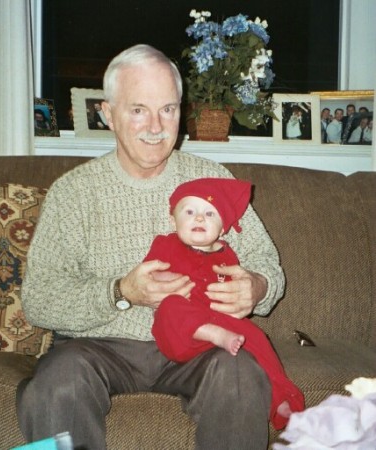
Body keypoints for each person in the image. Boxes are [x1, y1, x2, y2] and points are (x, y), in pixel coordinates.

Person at [17, 44, 286, 450]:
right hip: (97, 347)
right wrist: (120, 292)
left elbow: (268, 265)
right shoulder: (73, 193)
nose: (157, 126)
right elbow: (39, 300)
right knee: (56, 384)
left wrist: (258, 287)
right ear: (107, 114)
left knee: (241, 374)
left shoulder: (213, 180)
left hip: (200, 343)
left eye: (169, 109)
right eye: (138, 109)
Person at [146, 177, 304, 430]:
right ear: (173, 221)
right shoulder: (165, 244)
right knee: (170, 307)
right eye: (189, 211)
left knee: (256, 337)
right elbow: (149, 276)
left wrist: (242, 291)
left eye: (210, 213)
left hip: (219, 319)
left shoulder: (227, 253)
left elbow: (236, 285)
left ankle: (282, 398)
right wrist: (162, 279)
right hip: (180, 333)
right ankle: (211, 333)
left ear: (222, 229)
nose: (199, 218)